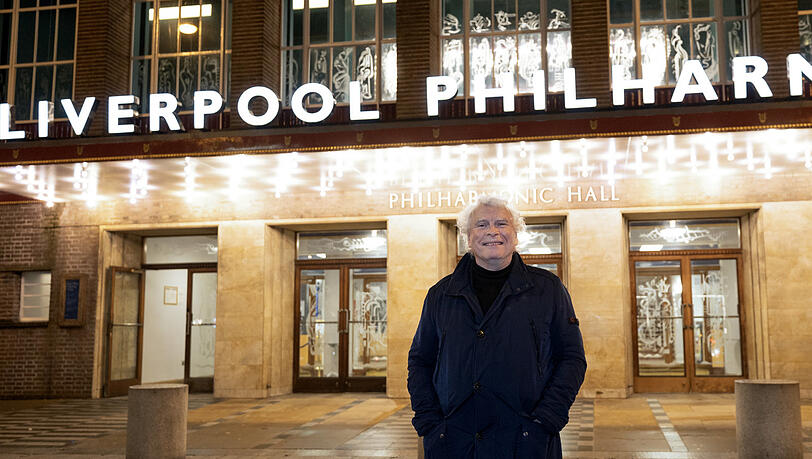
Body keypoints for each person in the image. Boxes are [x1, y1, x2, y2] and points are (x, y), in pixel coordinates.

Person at [407, 195, 587, 458]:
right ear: (468, 238)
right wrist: (429, 422)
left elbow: (572, 358)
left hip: (526, 441)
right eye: (481, 225)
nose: (492, 231)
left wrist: (547, 419)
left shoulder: (548, 289)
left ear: (516, 235)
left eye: (501, 223)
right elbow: (420, 361)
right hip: (453, 442)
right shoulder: (440, 294)